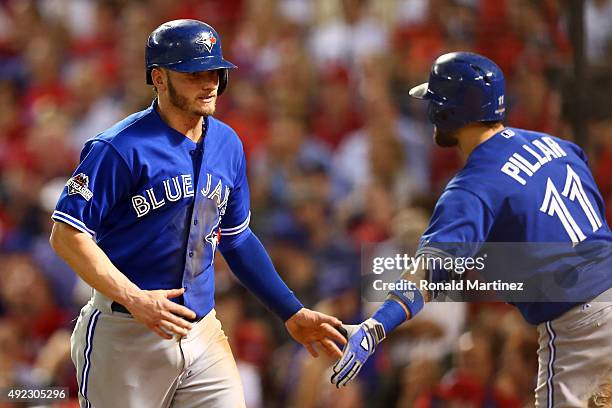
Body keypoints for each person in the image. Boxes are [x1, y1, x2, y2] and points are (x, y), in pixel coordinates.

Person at [49, 19, 345, 408]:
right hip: (125, 336)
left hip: (202, 332)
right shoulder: (118, 147)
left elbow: (236, 239)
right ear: (158, 78)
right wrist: (135, 298)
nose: (208, 82)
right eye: (193, 73)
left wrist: (289, 311)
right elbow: (66, 234)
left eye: (215, 72)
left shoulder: (227, 143)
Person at [330, 52, 612, 407]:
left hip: (581, 326)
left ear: (446, 112)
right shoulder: (557, 145)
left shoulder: (471, 185)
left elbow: (430, 273)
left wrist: (375, 327)